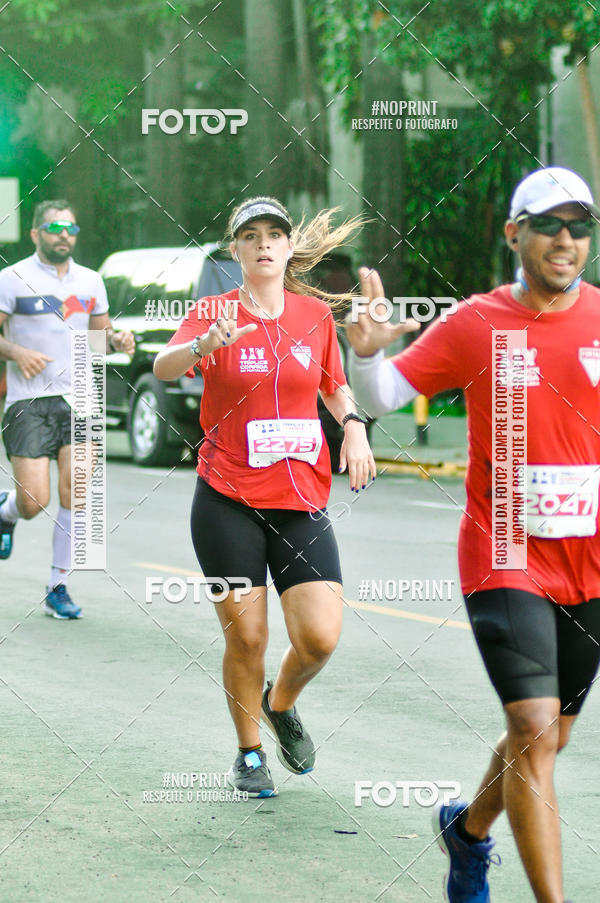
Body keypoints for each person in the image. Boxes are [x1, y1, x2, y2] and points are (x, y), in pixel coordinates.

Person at [346, 167, 600, 903]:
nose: (566, 238)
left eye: (579, 225)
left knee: (549, 737)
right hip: (505, 553)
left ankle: (466, 831)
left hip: (589, 560)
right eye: (549, 223)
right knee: (531, 722)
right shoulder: (478, 322)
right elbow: (386, 395)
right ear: (514, 232)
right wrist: (366, 352)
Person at [154, 196, 376, 797]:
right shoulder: (213, 310)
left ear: (286, 247)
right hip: (227, 498)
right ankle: (249, 752)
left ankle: (281, 704)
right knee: (247, 637)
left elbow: (334, 387)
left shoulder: (313, 317)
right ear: (236, 250)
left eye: (274, 234)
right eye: (249, 236)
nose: (263, 244)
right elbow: (164, 365)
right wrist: (204, 345)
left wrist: (353, 427)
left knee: (320, 638)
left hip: (300, 498)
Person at [0, 199, 134, 618]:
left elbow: (101, 335)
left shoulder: (91, 282)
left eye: (70, 228)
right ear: (36, 233)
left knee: (75, 491)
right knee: (33, 501)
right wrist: (17, 352)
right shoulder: (12, 279)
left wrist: (118, 340)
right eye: (55, 227)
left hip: (80, 399)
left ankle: (58, 585)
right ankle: (6, 510)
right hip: (28, 402)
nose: (64, 234)